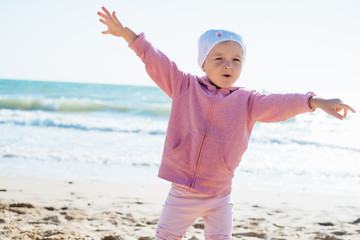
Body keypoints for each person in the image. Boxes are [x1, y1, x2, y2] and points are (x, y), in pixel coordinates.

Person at [97, 6, 356, 240]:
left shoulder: (248, 101)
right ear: (204, 63)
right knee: (165, 236)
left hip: (220, 195)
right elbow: (154, 59)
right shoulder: (183, 85)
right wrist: (125, 34)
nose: (228, 65)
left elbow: (281, 104)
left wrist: (316, 101)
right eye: (218, 58)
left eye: (236, 59)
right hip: (182, 193)